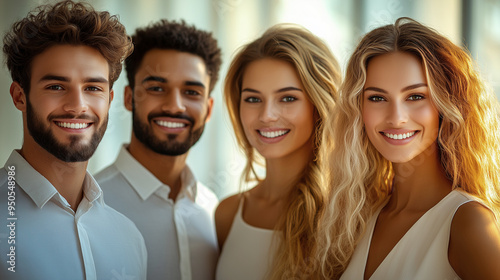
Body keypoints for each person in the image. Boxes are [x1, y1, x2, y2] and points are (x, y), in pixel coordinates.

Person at [317, 17, 500, 279]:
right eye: (377, 98)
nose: (396, 117)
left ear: (446, 106)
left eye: (415, 96)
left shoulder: (467, 222)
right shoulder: (358, 219)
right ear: (359, 110)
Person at [0, 1, 147, 279]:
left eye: (93, 88)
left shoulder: (130, 238)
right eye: (56, 86)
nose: (78, 106)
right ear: (20, 96)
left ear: (110, 99)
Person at [95, 19, 222, 280]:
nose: (175, 106)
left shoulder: (214, 211)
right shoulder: (92, 205)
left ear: (208, 109)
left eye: (191, 92)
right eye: (156, 88)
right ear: (129, 98)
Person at [215, 23, 341, 280]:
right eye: (253, 99)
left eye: (287, 98)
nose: (267, 115)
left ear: (318, 104)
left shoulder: (345, 215)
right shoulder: (227, 214)